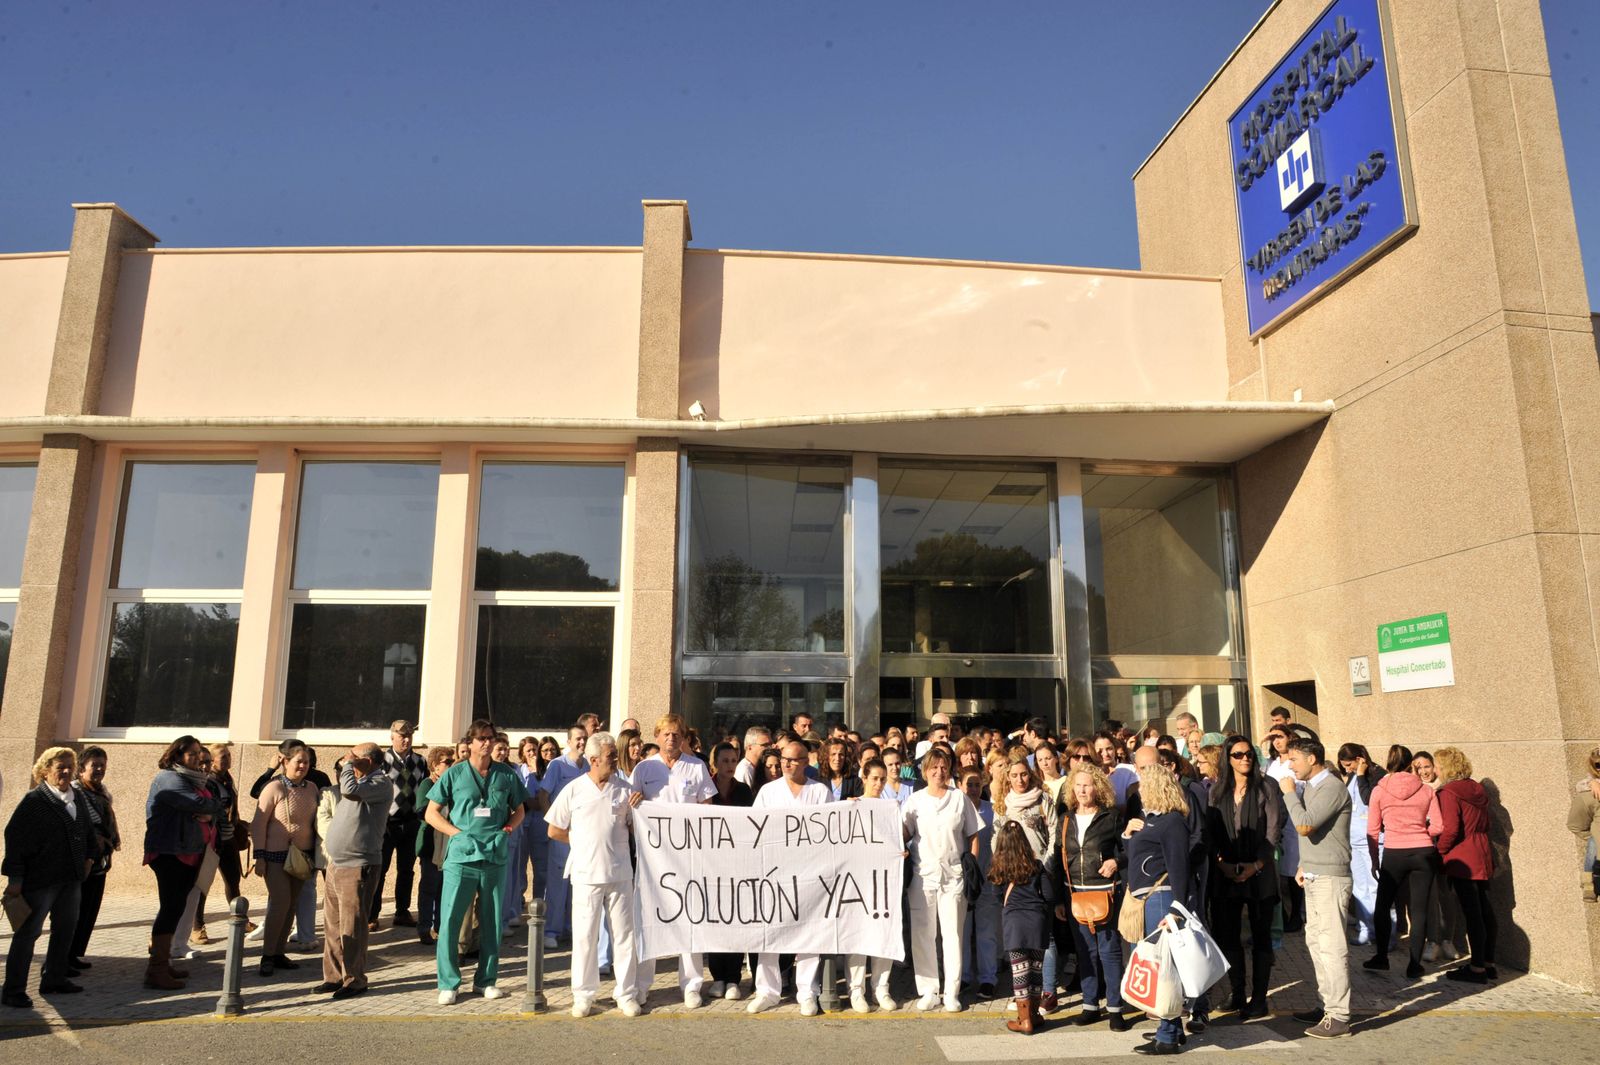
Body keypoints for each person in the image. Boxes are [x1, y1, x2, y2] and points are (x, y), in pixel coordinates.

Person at [427, 719, 528, 1004]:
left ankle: (486, 980)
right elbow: (432, 813)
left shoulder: (506, 775)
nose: (487, 743)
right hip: (462, 856)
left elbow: (519, 809)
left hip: (494, 855)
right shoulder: (455, 774)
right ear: (469, 743)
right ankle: (448, 982)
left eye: (490, 738)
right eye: (481, 738)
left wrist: (508, 828)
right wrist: (455, 833)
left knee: (492, 921)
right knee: (450, 920)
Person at [546, 731, 643, 1018]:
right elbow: (554, 828)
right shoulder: (573, 789)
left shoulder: (625, 790)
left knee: (624, 936)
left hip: (620, 873)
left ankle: (626, 993)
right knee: (585, 937)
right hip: (586, 874)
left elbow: (635, 830)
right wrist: (580, 843)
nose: (615, 760)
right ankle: (584, 995)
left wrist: (639, 809)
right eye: (610, 756)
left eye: (614, 755)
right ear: (593, 759)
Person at [630, 713, 718, 1007]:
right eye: (666, 734)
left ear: (684, 738)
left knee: (689, 917)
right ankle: (642, 985)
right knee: (648, 918)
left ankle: (691, 984)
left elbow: (708, 808)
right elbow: (631, 806)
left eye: (677, 734)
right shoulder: (644, 768)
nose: (671, 738)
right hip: (652, 857)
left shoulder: (696, 767)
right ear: (656, 736)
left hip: (687, 856)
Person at [2, 747, 93, 1007]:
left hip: (71, 877)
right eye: (59, 767)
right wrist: (15, 878)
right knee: (28, 933)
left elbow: (87, 829)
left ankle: (54, 978)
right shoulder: (34, 802)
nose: (65, 771)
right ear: (45, 771)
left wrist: (90, 857)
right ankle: (13, 990)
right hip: (41, 879)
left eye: (69, 766)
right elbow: (15, 839)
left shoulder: (77, 797)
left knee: (65, 929)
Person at [747, 740, 832, 1015]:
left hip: (809, 873)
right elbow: (754, 831)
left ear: (807, 762)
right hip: (775, 872)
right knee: (769, 931)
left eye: (794, 760)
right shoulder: (768, 792)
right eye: (784, 758)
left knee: (809, 932)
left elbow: (833, 830)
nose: (786, 763)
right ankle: (767, 991)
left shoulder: (819, 792)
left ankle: (807, 991)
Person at [1280, 737, 1354, 1039]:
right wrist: (1303, 864)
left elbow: (1306, 825)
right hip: (1313, 875)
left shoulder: (1331, 787)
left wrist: (1289, 794)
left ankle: (1339, 1015)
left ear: (1313, 759)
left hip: (1330, 879)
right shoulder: (1312, 787)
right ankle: (1327, 1005)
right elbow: (1318, 836)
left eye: (1294, 758)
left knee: (1332, 946)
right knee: (1316, 943)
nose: (1290, 765)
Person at [1207, 734, 1284, 1020]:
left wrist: (1257, 864)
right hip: (1226, 873)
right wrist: (1223, 864)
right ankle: (1237, 992)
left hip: (1259, 873)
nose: (1245, 758)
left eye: (1248, 753)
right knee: (1227, 936)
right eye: (1238, 754)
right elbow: (1211, 832)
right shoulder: (1217, 791)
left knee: (1261, 937)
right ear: (1228, 759)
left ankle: (1259, 999)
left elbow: (1273, 831)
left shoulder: (1266, 787)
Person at [312, 742, 394, 999]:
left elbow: (348, 789)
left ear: (368, 761)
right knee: (333, 925)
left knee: (353, 925)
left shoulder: (380, 783)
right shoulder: (357, 782)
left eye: (354, 756)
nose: (347, 759)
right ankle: (334, 976)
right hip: (337, 863)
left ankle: (355, 979)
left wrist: (348, 765)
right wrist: (349, 765)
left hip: (358, 866)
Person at [903, 745, 981, 1014]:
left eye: (943, 767)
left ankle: (951, 992)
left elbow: (972, 835)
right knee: (923, 935)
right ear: (925, 771)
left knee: (953, 936)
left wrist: (970, 865)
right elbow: (904, 833)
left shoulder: (960, 798)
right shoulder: (914, 801)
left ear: (950, 770)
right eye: (933, 767)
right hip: (922, 876)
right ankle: (928, 990)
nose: (939, 771)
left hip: (953, 876)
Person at [143, 736, 222, 990]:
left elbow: (214, 802)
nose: (198, 758)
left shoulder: (192, 779)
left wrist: (210, 809)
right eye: (191, 754)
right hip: (169, 852)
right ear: (176, 756)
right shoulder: (169, 779)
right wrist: (209, 808)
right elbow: (203, 803)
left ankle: (162, 963)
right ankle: (156, 970)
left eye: (199, 753)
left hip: (189, 851)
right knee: (170, 908)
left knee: (175, 908)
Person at [1123, 764, 1190, 1056]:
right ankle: (1171, 1028)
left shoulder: (1172, 822)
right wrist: (1128, 835)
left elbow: (1179, 867)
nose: (1139, 792)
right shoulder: (1150, 820)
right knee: (1160, 966)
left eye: (1143, 786)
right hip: (1149, 900)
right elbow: (1135, 857)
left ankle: (1167, 1035)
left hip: (1163, 900)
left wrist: (1178, 907)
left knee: (1164, 969)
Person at [1057, 761, 1127, 1031]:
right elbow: (1058, 858)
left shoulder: (1111, 817)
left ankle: (1115, 1008)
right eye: (1078, 785)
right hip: (1074, 892)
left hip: (1104, 891)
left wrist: (1116, 863)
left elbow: (1126, 850)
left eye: (1087, 785)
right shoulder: (1065, 820)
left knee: (1109, 951)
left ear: (1097, 788)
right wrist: (1057, 900)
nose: (1082, 790)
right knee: (1085, 952)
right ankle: (1089, 1006)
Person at [1364, 748, 1442, 978]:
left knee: (1383, 905)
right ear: (1411, 765)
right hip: (1423, 852)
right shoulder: (1426, 790)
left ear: (1389, 764)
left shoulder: (1379, 791)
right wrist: (1423, 833)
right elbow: (1439, 826)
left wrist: (1374, 860)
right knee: (1419, 909)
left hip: (1394, 853)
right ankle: (1414, 964)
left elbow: (1373, 830)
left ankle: (1381, 957)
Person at [993, 756, 1062, 1010]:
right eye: (1014, 776)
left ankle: (1048, 991)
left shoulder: (1042, 799)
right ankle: (1025, 994)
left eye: (1023, 774)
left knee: (1045, 935)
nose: (1020, 780)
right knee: (1020, 940)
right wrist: (1002, 867)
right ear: (1007, 778)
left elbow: (1054, 833)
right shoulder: (1003, 804)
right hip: (1013, 876)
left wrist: (1045, 863)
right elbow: (996, 839)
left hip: (1040, 870)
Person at [251, 742, 319, 977]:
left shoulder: (312, 788)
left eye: (306, 762)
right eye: (298, 761)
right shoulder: (274, 788)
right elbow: (258, 824)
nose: (302, 766)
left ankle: (279, 953)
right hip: (275, 855)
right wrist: (258, 856)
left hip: (302, 856)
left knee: (291, 905)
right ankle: (267, 955)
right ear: (285, 761)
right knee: (280, 903)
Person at [1433, 747, 1496, 982]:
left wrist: (1439, 852)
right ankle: (1488, 962)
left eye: (1437, 765)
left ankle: (1477, 967)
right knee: (1484, 909)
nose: (1436, 770)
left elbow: (1450, 829)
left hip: (1462, 856)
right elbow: (1486, 823)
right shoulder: (1476, 788)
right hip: (1482, 850)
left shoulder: (1449, 792)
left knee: (1472, 912)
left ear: (1445, 767)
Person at [846, 759, 901, 1013]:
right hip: (858, 880)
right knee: (859, 935)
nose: (878, 783)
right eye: (874, 778)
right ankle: (856, 989)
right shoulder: (852, 805)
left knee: (883, 932)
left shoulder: (892, 808)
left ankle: (882, 988)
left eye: (882, 778)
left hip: (884, 881)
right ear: (864, 778)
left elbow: (898, 841)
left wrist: (901, 853)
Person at [703, 741, 754, 1000]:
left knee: (735, 918)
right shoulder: (706, 789)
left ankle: (733, 977)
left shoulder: (745, 791)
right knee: (715, 919)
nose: (730, 766)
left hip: (737, 863)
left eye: (734, 761)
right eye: (724, 761)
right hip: (711, 863)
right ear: (715, 763)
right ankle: (718, 977)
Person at [537, 724, 590, 950]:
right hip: (561, 832)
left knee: (578, 881)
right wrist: (553, 824)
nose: (581, 742)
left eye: (584, 738)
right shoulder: (557, 765)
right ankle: (551, 930)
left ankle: (571, 927)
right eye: (577, 739)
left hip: (583, 833)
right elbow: (543, 795)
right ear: (568, 742)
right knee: (558, 881)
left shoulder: (589, 765)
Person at [171, 746, 224, 965]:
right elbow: (187, 811)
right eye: (200, 761)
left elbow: (217, 809)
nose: (204, 766)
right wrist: (206, 812)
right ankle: (168, 944)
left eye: (207, 762)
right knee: (175, 900)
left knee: (194, 896)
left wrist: (209, 815)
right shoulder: (180, 782)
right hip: (183, 850)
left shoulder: (208, 784)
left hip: (204, 848)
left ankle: (181, 943)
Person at [69, 745, 119, 970]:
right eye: (94, 765)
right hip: (82, 860)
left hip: (99, 860)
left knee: (90, 909)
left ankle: (74, 954)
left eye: (102, 765)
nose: (99, 769)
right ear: (81, 769)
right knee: (74, 911)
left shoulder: (101, 792)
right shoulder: (75, 792)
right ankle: (62, 958)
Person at [193, 743, 245, 947]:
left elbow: (230, 808)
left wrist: (239, 824)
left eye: (229, 755)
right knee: (204, 883)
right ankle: (197, 927)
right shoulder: (209, 782)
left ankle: (240, 918)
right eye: (223, 756)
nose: (228, 759)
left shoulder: (227, 779)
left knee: (233, 880)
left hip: (228, 837)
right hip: (212, 840)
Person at [1337, 744, 1385, 948]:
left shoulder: (1377, 774)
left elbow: (1369, 799)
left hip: (1374, 840)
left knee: (1377, 887)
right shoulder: (1352, 776)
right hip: (1354, 840)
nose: (1347, 769)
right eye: (1344, 766)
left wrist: (1362, 774)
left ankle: (1384, 934)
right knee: (1359, 887)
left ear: (1360, 759)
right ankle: (1366, 929)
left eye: (1349, 764)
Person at [959, 767, 999, 1001]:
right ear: (960, 785)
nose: (972, 789)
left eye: (976, 784)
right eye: (968, 784)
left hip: (987, 879)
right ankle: (963, 976)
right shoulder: (956, 811)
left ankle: (988, 979)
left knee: (986, 932)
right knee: (961, 932)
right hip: (962, 880)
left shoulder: (992, 812)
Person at [414, 745, 455, 947]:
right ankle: (424, 928)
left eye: (452, 760)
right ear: (434, 766)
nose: (451, 764)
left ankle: (440, 927)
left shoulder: (453, 784)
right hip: (431, 844)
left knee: (443, 889)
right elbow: (423, 810)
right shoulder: (427, 784)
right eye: (447, 762)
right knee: (429, 887)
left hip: (449, 844)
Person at [1568, 746, 1600, 901]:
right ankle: (1589, 884)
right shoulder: (1589, 793)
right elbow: (1575, 825)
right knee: (1594, 841)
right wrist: (1595, 838)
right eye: (1598, 765)